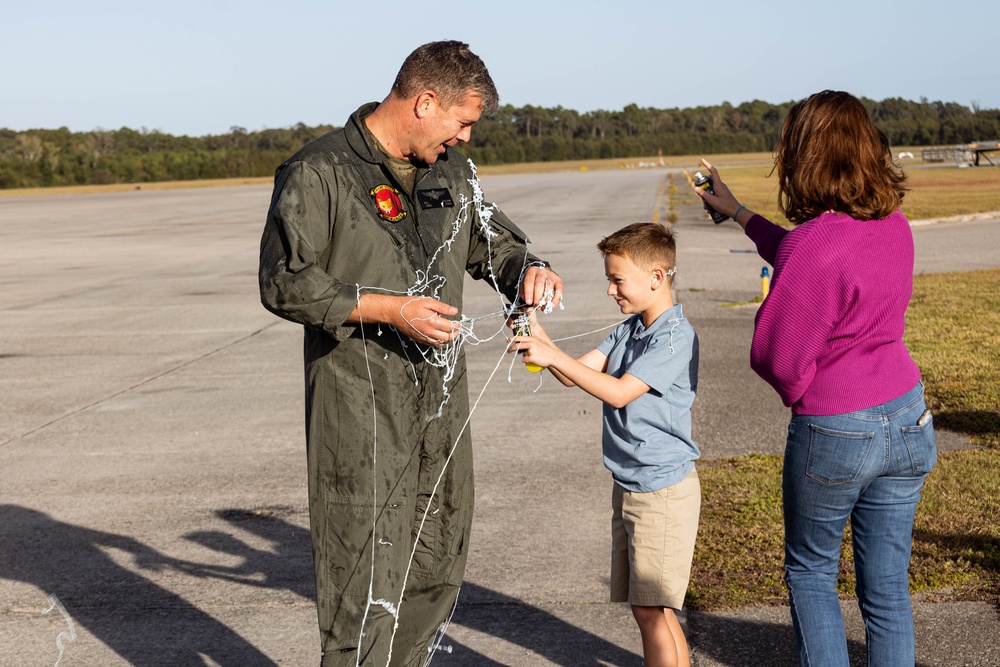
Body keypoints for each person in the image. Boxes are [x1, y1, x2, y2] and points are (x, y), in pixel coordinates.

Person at [258, 40, 563, 667]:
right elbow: (285, 281)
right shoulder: (320, 172)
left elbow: (494, 246)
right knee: (362, 575)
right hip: (359, 404)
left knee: (438, 555)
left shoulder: (450, 171)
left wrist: (529, 271)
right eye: (463, 121)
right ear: (425, 102)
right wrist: (388, 308)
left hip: (440, 402)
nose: (466, 138)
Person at [693, 90, 937, 667]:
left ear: (804, 154)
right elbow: (818, 257)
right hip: (907, 414)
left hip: (837, 427)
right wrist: (739, 213)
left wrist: (807, 393)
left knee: (810, 574)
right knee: (887, 593)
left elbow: (777, 356)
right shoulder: (892, 225)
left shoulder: (814, 246)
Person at [509, 222, 700, 667]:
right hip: (633, 485)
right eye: (609, 279)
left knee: (651, 609)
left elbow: (617, 391)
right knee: (650, 609)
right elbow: (578, 374)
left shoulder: (674, 337)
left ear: (657, 277)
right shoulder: (630, 329)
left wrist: (553, 355)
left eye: (618, 280)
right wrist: (536, 333)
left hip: (663, 492)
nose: (612, 290)